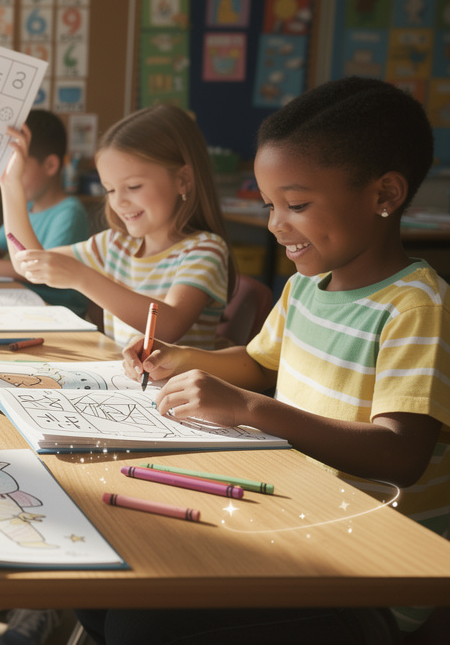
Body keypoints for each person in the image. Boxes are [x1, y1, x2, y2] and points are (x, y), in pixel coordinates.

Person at [87, 78, 449, 645]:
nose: (277, 224)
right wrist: (180, 357)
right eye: (270, 205)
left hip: (369, 572)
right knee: (100, 585)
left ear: (385, 194)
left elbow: (400, 453)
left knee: (139, 622)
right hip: (297, 518)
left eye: (296, 205)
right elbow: (258, 365)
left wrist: (251, 410)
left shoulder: (417, 306)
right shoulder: (306, 288)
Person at [5, 104, 234, 351]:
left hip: (178, 378)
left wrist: (82, 278)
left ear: (183, 180)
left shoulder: (205, 249)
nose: (119, 202)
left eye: (133, 187)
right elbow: (27, 263)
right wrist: (10, 184)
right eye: (110, 190)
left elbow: (170, 326)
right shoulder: (115, 244)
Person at [0, 109, 91, 317]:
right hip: (22, 302)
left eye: (18, 166)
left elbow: (39, 271)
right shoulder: (27, 208)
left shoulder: (69, 213)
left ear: (50, 165)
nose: (9, 173)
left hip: (55, 312)